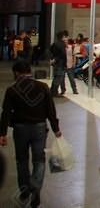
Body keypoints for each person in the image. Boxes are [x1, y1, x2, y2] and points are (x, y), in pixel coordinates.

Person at [0, 60, 62, 207]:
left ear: (16, 73)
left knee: (21, 161)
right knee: (39, 161)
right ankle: (35, 189)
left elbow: (6, 113)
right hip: (39, 128)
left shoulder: (12, 90)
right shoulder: (43, 87)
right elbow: (50, 110)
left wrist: (2, 133)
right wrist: (56, 128)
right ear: (29, 71)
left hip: (20, 129)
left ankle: (25, 191)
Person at [49, 31, 68, 97]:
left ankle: (52, 91)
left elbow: (50, 51)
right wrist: (65, 64)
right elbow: (63, 55)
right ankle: (54, 92)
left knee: (56, 77)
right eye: (64, 37)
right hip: (60, 63)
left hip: (56, 63)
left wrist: (52, 59)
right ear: (62, 37)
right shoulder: (62, 44)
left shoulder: (54, 43)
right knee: (58, 78)